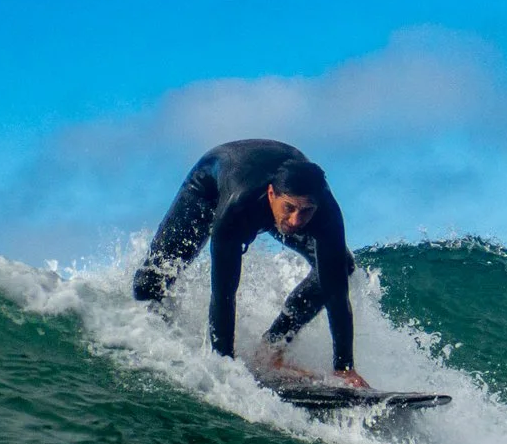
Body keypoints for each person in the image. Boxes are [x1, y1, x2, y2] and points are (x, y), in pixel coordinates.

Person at [132, 139, 368, 387]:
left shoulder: (325, 212)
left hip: (269, 195)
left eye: (306, 211)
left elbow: (336, 294)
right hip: (207, 190)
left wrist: (344, 368)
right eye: (290, 208)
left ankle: (271, 350)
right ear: (271, 194)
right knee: (148, 284)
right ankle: (155, 340)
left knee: (340, 267)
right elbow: (224, 293)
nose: (297, 220)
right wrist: (225, 365)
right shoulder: (237, 206)